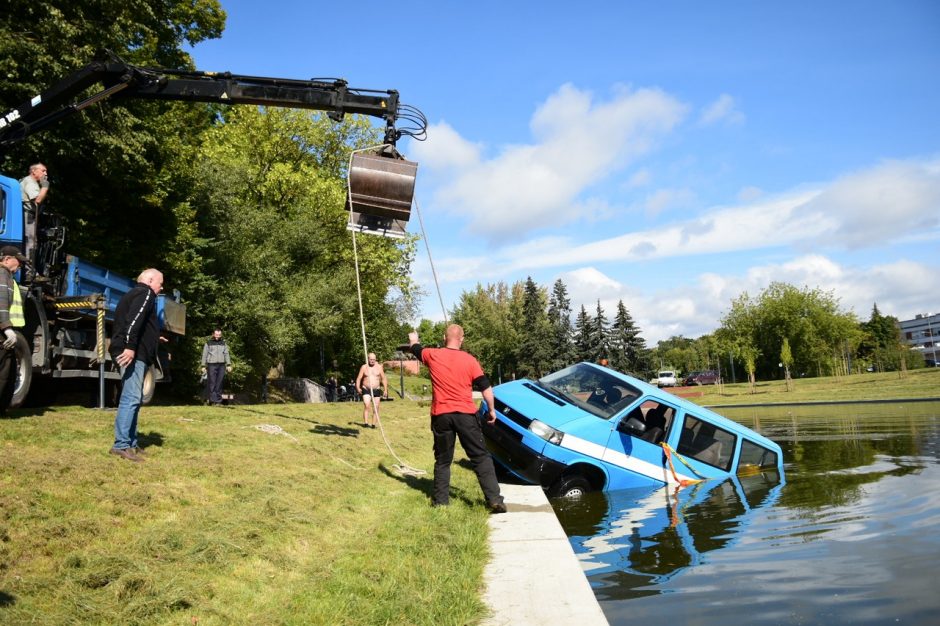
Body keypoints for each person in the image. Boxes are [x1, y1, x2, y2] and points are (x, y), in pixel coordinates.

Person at [409, 325, 506, 513]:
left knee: (443, 460)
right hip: (466, 415)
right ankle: (495, 499)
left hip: (441, 415)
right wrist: (492, 410)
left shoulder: (432, 354)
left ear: (444, 337)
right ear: (461, 339)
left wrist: (414, 339)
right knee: (480, 457)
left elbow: (416, 349)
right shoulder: (470, 360)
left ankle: (440, 502)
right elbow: (486, 387)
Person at [108, 268, 163, 462]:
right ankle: (121, 445)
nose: (161, 287)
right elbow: (133, 322)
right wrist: (130, 347)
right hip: (132, 353)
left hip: (135, 351)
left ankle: (130, 442)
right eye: (159, 282)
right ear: (149, 280)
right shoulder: (145, 293)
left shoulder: (134, 294)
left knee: (134, 398)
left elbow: (139, 323)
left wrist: (156, 336)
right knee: (130, 398)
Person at [0, 246, 28, 414]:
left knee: (8, 373)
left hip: (5, 332)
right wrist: (7, 328)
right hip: (3, 333)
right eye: (18, 261)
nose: (20, 265)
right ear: (7, 259)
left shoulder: (7, 276)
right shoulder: (2, 275)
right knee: (3, 373)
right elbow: (1, 304)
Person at [19, 163, 49, 265]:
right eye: (43, 170)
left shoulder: (27, 181)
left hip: (27, 215)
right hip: (28, 216)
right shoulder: (30, 182)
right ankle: (28, 271)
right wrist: (45, 186)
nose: (46, 174)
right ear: (34, 171)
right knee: (30, 243)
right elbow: (37, 200)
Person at [201, 327, 232, 406]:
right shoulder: (208, 343)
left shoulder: (223, 343)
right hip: (211, 364)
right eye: (216, 334)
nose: (217, 336)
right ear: (213, 334)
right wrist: (203, 365)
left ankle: (218, 401)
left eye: (219, 334)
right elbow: (204, 355)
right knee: (212, 383)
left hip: (222, 365)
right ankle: (212, 400)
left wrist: (228, 364)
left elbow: (226, 354)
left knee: (220, 383)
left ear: (221, 335)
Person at [355, 352, 387, 428]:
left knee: (376, 407)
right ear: (368, 359)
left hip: (376, 389)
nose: (372, 361)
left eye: (374, 359)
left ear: (376, 359)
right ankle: (366, 423)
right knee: (367, 405)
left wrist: (385, 389)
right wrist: (358, 387)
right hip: (366, 388)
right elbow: (359, 378)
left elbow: (383, 378)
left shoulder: (379, 367)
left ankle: (373, 424)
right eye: (371, 359)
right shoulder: (364, 367)